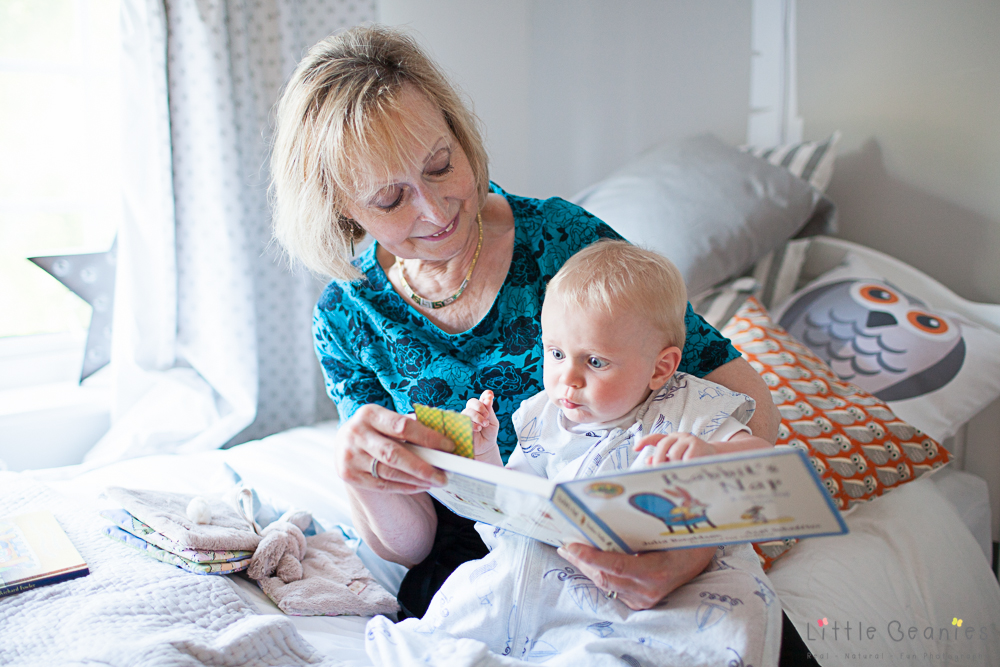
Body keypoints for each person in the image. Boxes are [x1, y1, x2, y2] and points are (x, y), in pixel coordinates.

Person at [269, 24, 780, 622]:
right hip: (482, 561)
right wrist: (362, 473)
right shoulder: (348, 316)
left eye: (441, 165)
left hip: (632, 531)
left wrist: (689, 551)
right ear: (340, 208)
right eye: (390, 200)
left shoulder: (564, 246)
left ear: (461, 137)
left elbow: (746, 404)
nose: (434, 211)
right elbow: (412, 546)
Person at [363, 240, 781, 666]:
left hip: (662, 580)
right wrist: (485, 454)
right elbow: (515, 502)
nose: (568, 378)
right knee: (477, 597)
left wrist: (708, 454)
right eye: (556, 353)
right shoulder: (541, 416)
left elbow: (762, 464)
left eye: (595, 362)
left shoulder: (690, 405)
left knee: (735, 613)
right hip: (554, 570)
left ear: (660, 368)